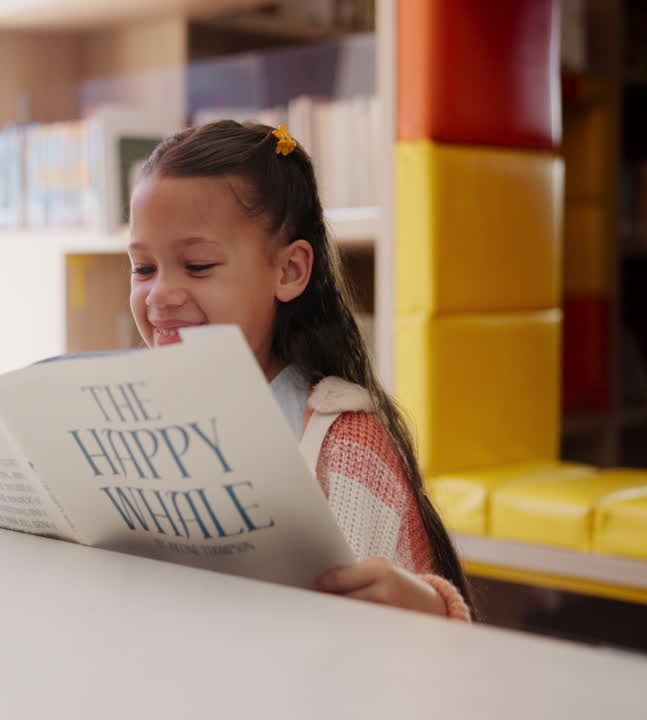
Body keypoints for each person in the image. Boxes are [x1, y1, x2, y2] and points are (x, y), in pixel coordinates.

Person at [126, 121, 470, 619]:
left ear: (289, 271)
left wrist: (427, 610)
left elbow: (399, 638)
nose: (158, 295)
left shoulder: (343, 441)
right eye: (143, 268)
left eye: (198, 265)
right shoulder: (123, 416)